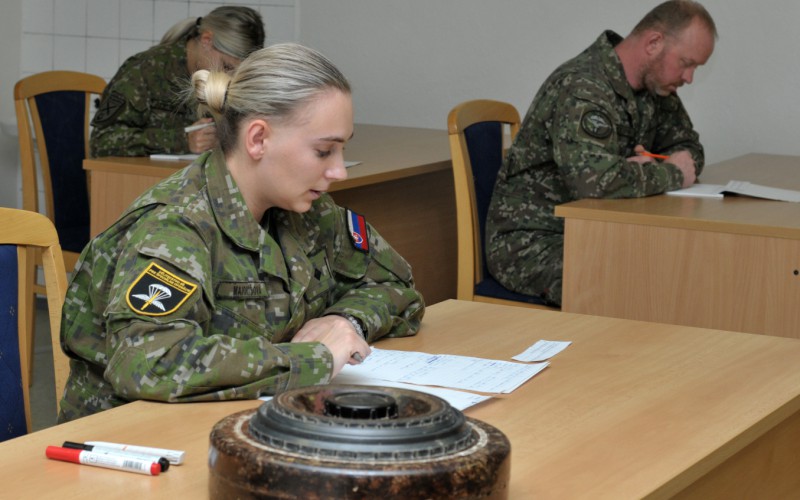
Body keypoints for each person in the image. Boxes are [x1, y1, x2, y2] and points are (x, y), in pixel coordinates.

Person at [58, 43, 426, 422]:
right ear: (258, 139)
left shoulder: (307, 212)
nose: (339, 171)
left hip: (243, 421)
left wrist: (345, 321)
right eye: (323, 151)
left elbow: (397, 286)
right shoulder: (175, 227)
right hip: (134, 437)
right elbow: (148, 362)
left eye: (341, 149)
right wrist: (313, 359)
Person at [485, 0, 716, 307]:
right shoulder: (582, 87)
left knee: (679, 266)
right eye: (686, 63)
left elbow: (689, 149)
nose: (689, 77)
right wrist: (669, 173)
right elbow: (592, 182)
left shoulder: (657, 87)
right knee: (635, 282)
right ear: (654, 43)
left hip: (595, 232)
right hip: (534, 241)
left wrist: (650, 169)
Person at [89, 6, 265, 157]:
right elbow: (101, 140)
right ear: (207, 41)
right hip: (141, 182)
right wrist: (182, 141)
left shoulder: (232, 83)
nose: (228, 79)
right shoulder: (145, 70)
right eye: (226, 66)